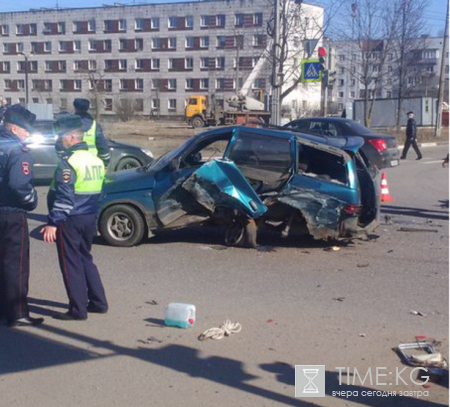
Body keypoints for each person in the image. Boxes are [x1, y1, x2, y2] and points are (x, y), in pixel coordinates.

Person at [40, 114, 108, 321]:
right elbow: (101, 192)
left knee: (70, 263)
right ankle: (98, 302)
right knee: (85, 258)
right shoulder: (96, 161)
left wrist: (54, 222)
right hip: (89, 216)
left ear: (71, 137)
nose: (58, 140)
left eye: (60, 136)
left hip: (70, 219)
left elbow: (64, 196)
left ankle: (78, 309)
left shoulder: (68, 162)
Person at [0, 104, 44, 327]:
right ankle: (17, 313)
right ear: (15, 128)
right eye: (26, 128)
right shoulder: (17, 151)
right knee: (15, 264)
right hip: (11, 213)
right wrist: (32, 201)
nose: (28, 132)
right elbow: (19, 185)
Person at [73, 98, 110, 166]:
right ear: (87, 108)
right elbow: (102, 147)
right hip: (92, 164)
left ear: (75, 107)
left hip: (73, 163)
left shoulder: (69, 124)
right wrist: (105, 163)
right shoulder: (95, 125)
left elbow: (61, 144)